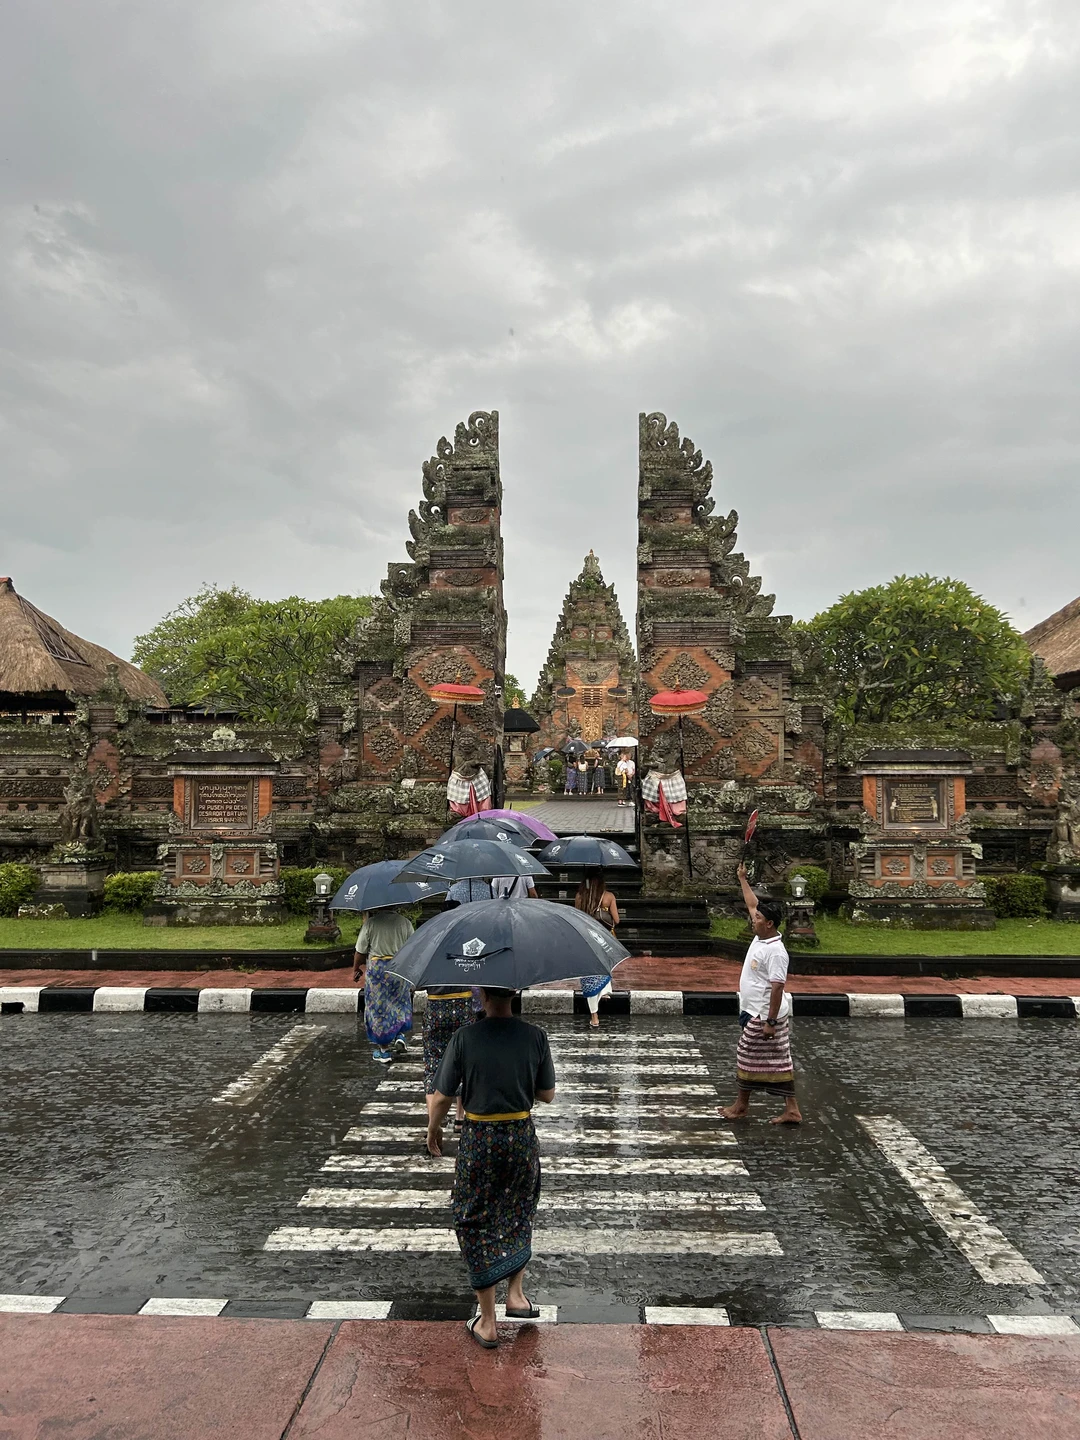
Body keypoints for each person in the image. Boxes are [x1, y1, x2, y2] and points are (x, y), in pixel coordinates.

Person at [427, 987, 557, 1350]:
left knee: (473, 1217)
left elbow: (441, 1096)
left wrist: (432, 1130)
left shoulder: (465, 1037)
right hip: (520, 1136)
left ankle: (487, 1321)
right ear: (515, 994)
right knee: (518, 1209)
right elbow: (547, 1094)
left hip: (480, 1138)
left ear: (481, 995)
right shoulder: (534, 1036)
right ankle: (516, 1295)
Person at [720, 863, 802, 1125]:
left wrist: (770, 1022)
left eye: (757, 919)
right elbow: (752, 903)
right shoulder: (761, 937)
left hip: (765, 1014)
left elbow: (778, 987)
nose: (752, 919)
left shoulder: (776, 952)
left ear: (769, 924)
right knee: (780, 1061)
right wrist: (743, 879)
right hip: (754, 1009)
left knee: (746, 1054)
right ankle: (792, 1109)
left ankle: (742, 1105)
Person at [353, 905, 414, 1065]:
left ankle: (384, 1050)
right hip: (398, 968)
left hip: (378, 971)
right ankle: (400, 1035)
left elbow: (360, 951)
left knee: (378, 1009)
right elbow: (413, 947)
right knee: (399, 1002)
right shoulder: (405, 923)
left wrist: (356, 968)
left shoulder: (371, 924)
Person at [574, 867, 619, 1028]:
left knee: (589, 975)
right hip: (604, 938)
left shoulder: (580, 897)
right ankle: (606, 991)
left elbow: (576, 917)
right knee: (604, 966)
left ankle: (594, 1017)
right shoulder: (608, 897)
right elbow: (617, 920)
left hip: (586, 937)